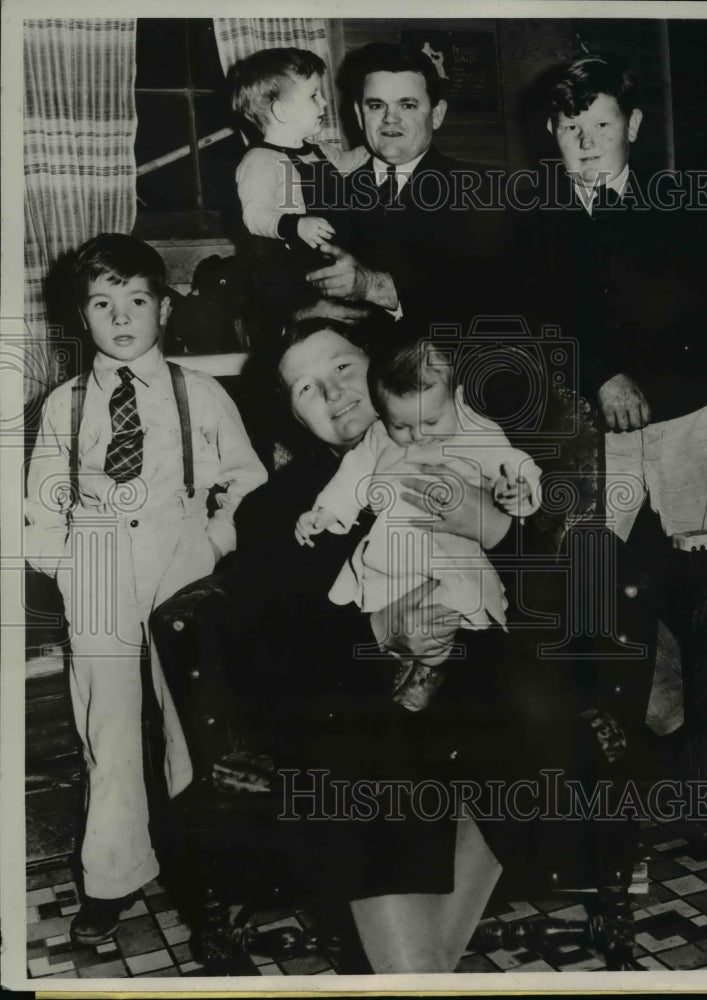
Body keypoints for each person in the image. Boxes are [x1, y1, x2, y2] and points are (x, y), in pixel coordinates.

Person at [210, 316, 645, 972]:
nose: (332, 395)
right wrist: (383, 628)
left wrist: (494, 527)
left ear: (381, 368)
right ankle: (418, 973)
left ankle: (415, 973)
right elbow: (269, 648)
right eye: (305, 389)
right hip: (359, 690)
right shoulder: (276, 511)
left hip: (480, 663)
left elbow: (571, 607)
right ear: (294, 418)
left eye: (342, 369)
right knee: (365, 748)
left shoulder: (471, 449)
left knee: (521, 714)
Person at [24, 234, 267, 944]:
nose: (121, 317)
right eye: (103, 304)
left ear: (164, 307)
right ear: (82, 317)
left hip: (179, 550)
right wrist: (68, 564)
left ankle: (210, 875)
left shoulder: (202, 394)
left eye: (136, 300)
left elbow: (247, 482)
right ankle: (113, 875)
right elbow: (39, 507)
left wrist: (214, 539)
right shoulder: (65, 405)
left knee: (193, 718)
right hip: (95, 559)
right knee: (109, 726)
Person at [517, 54, 707, 586]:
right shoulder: (530, 220)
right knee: (588, 583)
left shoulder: (690, 206)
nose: (587, 142)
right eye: (572, 127)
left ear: (635, 126)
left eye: (603, 124)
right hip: (598, 422)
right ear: (552, 131)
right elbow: (537, 319)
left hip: (701, 414)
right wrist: (600, 373)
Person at [295, 332, 542, 710]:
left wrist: (519, 492)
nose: (416, 436)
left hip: (450, 546)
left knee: (450, 602)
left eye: (430, 420)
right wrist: (325, 512)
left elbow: (515, 462)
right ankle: (402, 663)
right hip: (394, 548)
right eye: (402, 426)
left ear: (456, 397)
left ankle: (432, 666)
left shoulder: (476, 432)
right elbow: (354, 473)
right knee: (377, 593)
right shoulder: (379, 436)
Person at [304, 43, 503, 323]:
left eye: (407, 105)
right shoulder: (326, 192)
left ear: (436, 114)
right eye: (376, 105)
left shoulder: (487, 189)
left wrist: (374, 287)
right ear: (360, 116)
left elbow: (491, 294)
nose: (389, 119)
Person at [230, 48, 367, 249]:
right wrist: (296, 226)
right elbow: (255, 216)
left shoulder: (321, 151)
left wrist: (380, 143)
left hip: (333, 254)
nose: (324, 102)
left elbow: (352, 161)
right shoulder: (260, 160)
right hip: (289, 265)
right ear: (282, 111)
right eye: (314, 95)